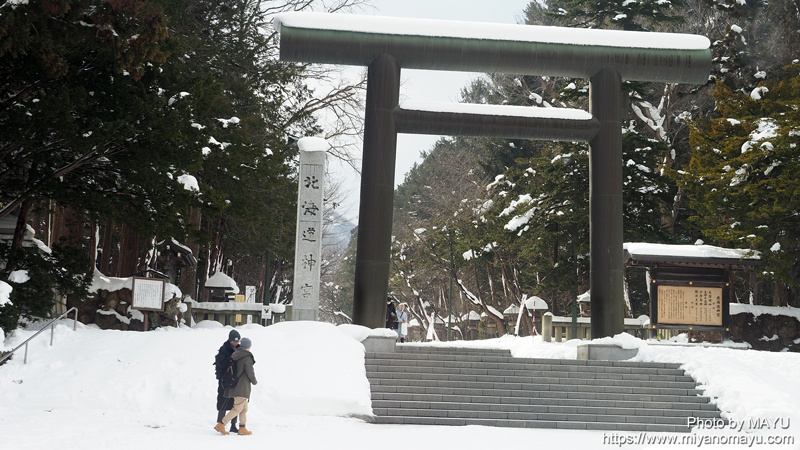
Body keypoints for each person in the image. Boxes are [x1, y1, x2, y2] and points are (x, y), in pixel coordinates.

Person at [215, 337, 258, 436]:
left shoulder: (236, 354)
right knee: (237, 408)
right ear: (248, 346)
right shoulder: (247, 357)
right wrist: (254, 381)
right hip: (241, 387)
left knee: (244, 408)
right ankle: (221, 424)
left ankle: (242, 427)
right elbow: (249, 371)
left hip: (235, 385)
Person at [214, 330, 240, 432]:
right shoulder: (224, 349)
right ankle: (220, 423)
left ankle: (233, 425)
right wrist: (230, 360)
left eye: (238, 341)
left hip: (235, 380)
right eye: (234, 341)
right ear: (230, 340)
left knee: (235, 403)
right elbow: (220, 363)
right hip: (224, 380)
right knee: (223, 401)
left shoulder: (239, 349)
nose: (236, 343)